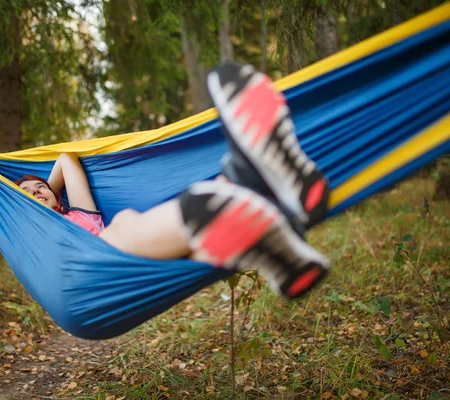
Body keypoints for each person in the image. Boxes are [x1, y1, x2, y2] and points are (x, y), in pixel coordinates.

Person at [17, 62, 330, 299]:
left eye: (39, 187)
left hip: (141, 257)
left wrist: (50, 195)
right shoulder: (33, 235)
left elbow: (65, 160)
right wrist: (35, 205)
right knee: (124, 224)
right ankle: (244, 181)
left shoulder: (80, 215)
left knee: (148, 229)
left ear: (57, 195)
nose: (35, 192)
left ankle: (280, 250)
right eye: (26, 194)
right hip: (87, 279)